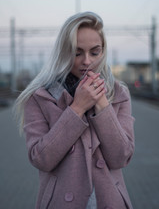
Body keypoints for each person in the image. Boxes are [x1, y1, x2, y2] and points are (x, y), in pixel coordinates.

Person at [15, 11, 135, 209]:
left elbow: (121, 157)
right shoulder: (39, 97)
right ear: (63, 52)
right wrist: (77, 108)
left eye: (94, 52)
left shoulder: (118, 92)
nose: (87, 61)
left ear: (103, 51)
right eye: (77, 53)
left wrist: (102, 105)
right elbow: (40, 159)